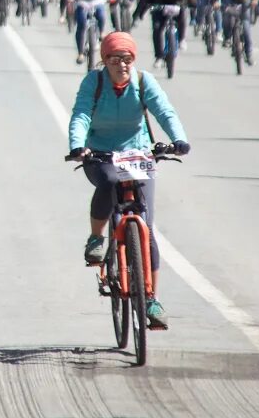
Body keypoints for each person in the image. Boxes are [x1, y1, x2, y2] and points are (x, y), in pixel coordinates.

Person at [66, 31, 190, 330]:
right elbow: (81, 114)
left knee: (146, 228)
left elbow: (164, 111)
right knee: (107, 183)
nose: (121, 64)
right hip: (101, 154)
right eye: (114, 59)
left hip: (138, 153)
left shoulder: (143, 81)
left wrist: (179, 139)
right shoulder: (93, 82)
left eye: (126, 59)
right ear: (104, 60)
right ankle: (97, 237)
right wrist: (77, 145)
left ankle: (150, 298)